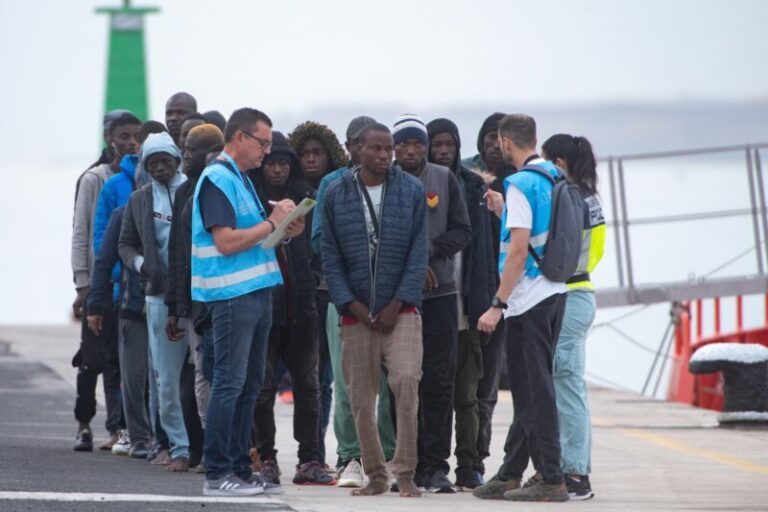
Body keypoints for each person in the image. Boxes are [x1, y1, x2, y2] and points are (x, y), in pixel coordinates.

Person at [191, 108, 304, 496]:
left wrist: (283, 230)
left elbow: (255, 238)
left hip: (255, 292)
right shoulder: (218, 178)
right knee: (229, 383)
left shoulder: (240, 178)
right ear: (239, 138)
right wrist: (273, 223)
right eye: (263, 143)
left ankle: (239, 467)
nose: (267, 152)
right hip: (231, 295)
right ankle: (218, 472)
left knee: (250, 384)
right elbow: (225, 242)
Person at [322, 122, 427, 498]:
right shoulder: (336, 193)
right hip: (356, 313)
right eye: (377, 148)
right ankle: (376, 474)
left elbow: (418, 255)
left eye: (389, 149)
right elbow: (330, 258)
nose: (385, 155)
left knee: (406, 382)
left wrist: (397, 302)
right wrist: (352, 304)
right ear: (357, 150)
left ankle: (406, 471)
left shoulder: (411, 190)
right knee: (361, 398)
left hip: (401, 312)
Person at [475, 114, 569, 502]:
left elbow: (517, 251)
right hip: (557, 290)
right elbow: (539, 233)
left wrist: (498, 303)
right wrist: (502, 211)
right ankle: (512, 471)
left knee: (534, 392)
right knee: (532, 388)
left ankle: (551, 477)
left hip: (527, 298)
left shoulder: (519, 184)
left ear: (505, 143)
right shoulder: (555, 178)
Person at [312, 116, 397, 488]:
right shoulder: (332, 185)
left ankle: (385, 454)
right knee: (348, 383)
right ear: (351, 147)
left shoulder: (399, 185)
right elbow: (319, 242)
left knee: (392, 381)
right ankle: (350, 457)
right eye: (360, 144)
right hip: (345, 298)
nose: (369, 151)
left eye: (378, 146)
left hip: (391, 299)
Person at [248, 132, 334, 486]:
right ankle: (266, 458)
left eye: (284, 163)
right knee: (263, 388)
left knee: (309, 387)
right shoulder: (251, 200)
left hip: (303, 310)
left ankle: (310, 460)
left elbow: (320, 247)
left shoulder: (307, 200)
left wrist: (312, 280)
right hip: (264, 311)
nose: (278, 170)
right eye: (272, 163)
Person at [392, 114, 471, 493]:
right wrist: (411, 266)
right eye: (403, 144)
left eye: (417, 144)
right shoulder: (384, 180)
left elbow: (463, 230)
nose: (411, 151)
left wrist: (431, 253)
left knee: (439, 382)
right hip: (398, 299)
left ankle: (436, 466)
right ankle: (404, 464)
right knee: (402, 384)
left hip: (440, 295)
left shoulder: (444, 178)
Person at [427, 118, 498, 490]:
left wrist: (485, 305)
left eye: (448, 145)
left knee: (468, 396)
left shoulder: (474, 188)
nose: (442, 151)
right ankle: (430, 462)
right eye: (435, 144)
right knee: (431, 392)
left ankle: (469, 465)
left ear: (457, 147)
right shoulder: (414, 186)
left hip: (467, 305)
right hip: (428, 306)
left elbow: (484, 253)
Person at [119, 132, 191, 472]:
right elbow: (125, 244)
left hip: (197, 296)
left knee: (202, 378)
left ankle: (205, 443)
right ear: (146, 166)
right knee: (165, 377)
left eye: (166, 161)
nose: (160, 168)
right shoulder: (140, 199)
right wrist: (141, 265)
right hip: (159, 297)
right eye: (153, 163)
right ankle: (179, 446)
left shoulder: (195, 190)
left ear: (178, 161)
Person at [540, 134, 605, 501]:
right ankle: (574, 468)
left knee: (566, 384)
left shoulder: (567, 199)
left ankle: (575, 473)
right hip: (583, 291)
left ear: (559, 164)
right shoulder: (590, 197)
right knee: (570, 385)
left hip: (570, 293)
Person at [71, 111, 139, 451]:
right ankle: (84, 424)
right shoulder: (95, 179)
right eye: (122, 136)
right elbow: (82, 232)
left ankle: (119, 427)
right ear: (109, 139)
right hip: (98, 283)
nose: (129, 142)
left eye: (134, 136)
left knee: (116, 359)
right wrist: (83, 285)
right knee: (91, 359)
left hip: (125, 287)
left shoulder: (142, 176)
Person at [165, 124, 226, 474]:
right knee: (202, 375)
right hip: (194, 300)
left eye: (191, 150)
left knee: (224, 375)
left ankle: (225, 447)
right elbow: (177, 253)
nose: (184, 156)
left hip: (223, 294)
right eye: (184, 149)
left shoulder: (224, 186)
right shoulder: (185, 192)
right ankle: (206, 447)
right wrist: (176, 306)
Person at [288, 120, 349, 463]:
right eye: (304, 154)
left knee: (325, 379)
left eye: (318, 153)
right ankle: (311, 451)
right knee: (308, 379)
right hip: (296, 294)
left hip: (329, 291)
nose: (311, 159)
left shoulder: (339, 187)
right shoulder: (287, 192)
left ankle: (321, 451)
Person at [463, 112, 511, 475]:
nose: (494, 144)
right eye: (488, 137)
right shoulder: (464, 176)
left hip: (506, 291)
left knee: (488, 385)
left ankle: (478, 457)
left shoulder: (521, 182)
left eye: (501, 137)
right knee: (458, 380)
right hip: (464, 290)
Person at [86, 206, 150, 459]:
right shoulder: (126, 212)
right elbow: (104, 260)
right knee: (131, 376)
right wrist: (95, 304)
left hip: (171, 307)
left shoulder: (181, 200)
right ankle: (136, 436)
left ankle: (163, 439)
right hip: (131, 305)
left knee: (164, 380)